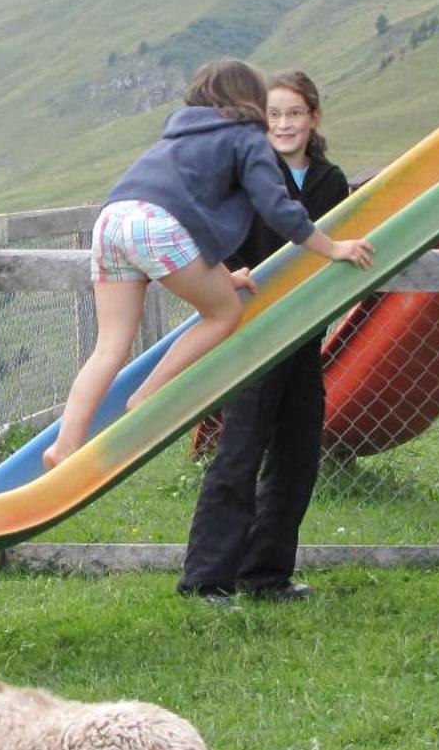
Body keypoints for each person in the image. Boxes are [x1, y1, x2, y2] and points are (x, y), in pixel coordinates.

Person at [42, 59, 374, 471]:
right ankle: (148, 396)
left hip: (112, 220)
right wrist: (332, 247)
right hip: (159, 225)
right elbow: (277, 208)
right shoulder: (247, 136)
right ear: (251, 101)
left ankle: (65, 445)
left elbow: (189, 206)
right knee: (224, 313)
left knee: (109, 347)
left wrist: (222, 276)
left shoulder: (180, 133)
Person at [179, 71, 347, 604]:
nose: (284, 124)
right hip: (251, 330)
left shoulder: (330, 180)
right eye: (273, 115)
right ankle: (206, 579)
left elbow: (334, 242)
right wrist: (229, 273)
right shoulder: (248, 171)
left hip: (302, 333)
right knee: (240, 451)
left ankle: (266, 575)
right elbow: (210, 230)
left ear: (313, 118)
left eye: (294, 113)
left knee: (298, 453)